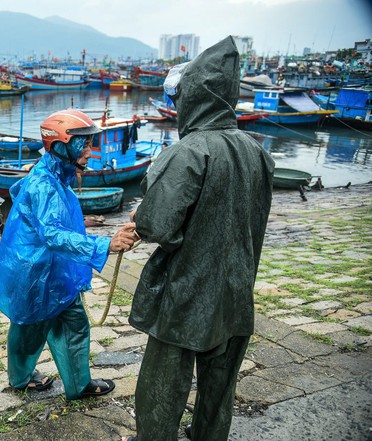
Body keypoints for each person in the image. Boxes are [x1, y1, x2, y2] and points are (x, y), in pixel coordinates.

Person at [123, 36, 275, 441]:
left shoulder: (189, 151)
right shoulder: (258, 152)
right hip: (236, 288)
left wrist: (142, 215)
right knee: (220, 384)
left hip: (186, 293)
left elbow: (157, 224)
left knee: (163, 383)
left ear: (192, 97)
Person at [0, 109, 139, 400]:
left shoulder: (54, 174)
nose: (89, 151)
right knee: (28, 329)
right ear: (61, 145)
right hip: (35, 273)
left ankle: (76, 384)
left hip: (54, 270)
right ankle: (23, 378)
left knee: (71, 324)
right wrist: (105, 245)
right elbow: (51, 234)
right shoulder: (44, 184)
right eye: (83, 144)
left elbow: (24, 198)